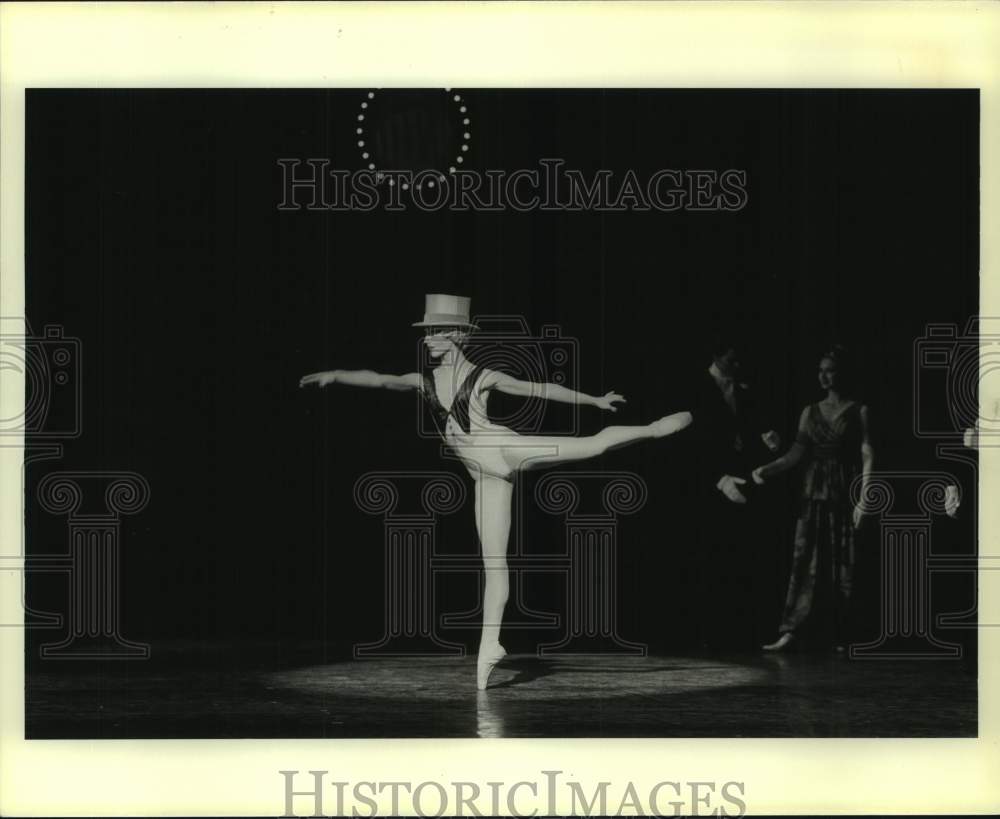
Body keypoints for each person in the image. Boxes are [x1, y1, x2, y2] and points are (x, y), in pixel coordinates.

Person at [300, 294, 692, 689]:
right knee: (494, 565)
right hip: (484, 476)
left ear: (456, 336)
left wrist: (593, 399)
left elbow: (538, 389)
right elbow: (379, 378)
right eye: (426, 333)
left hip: (507, 450)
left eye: (435, 333)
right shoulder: (422, 382)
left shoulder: (483, 376)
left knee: (592, 445)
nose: (427, 340)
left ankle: (652, 429)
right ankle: (490, 646)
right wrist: (336, 374)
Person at [752, 345, 874, 652]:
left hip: (844, 490)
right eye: (819, 370)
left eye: (829, 369)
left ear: (841, 372)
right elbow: (796, 453)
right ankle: (791, 629)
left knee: (843, 561)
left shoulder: (859, 410)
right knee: (804, 559)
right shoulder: (810, 411)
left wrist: (864, 499)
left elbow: (868, 455)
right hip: (813, 491)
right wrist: (768, 468)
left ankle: (843, 633)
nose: (823, 376)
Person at [681, 335, 782, 649]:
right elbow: (689, 444)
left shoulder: (745, 389)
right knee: (708, 556)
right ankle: (707, 633)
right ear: (716, 355)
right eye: (731, 360)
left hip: (740, 477)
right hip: (706, 484)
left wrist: (767, 438)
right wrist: (717, 477)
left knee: (737, 553)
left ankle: (736, 629)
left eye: (740, 361)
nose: (737, 366)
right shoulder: (694, 388)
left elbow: (749, 429)